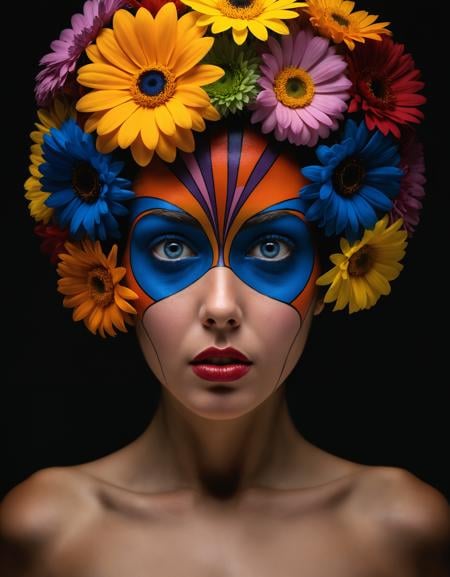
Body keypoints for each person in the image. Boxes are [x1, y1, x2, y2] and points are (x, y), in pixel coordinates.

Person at [2, 1, 449, 576]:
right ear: (110, 271)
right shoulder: (45, 532)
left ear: (331, 267)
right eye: (170, 248)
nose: (220, 308)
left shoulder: (402, 533)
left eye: (271, 249)